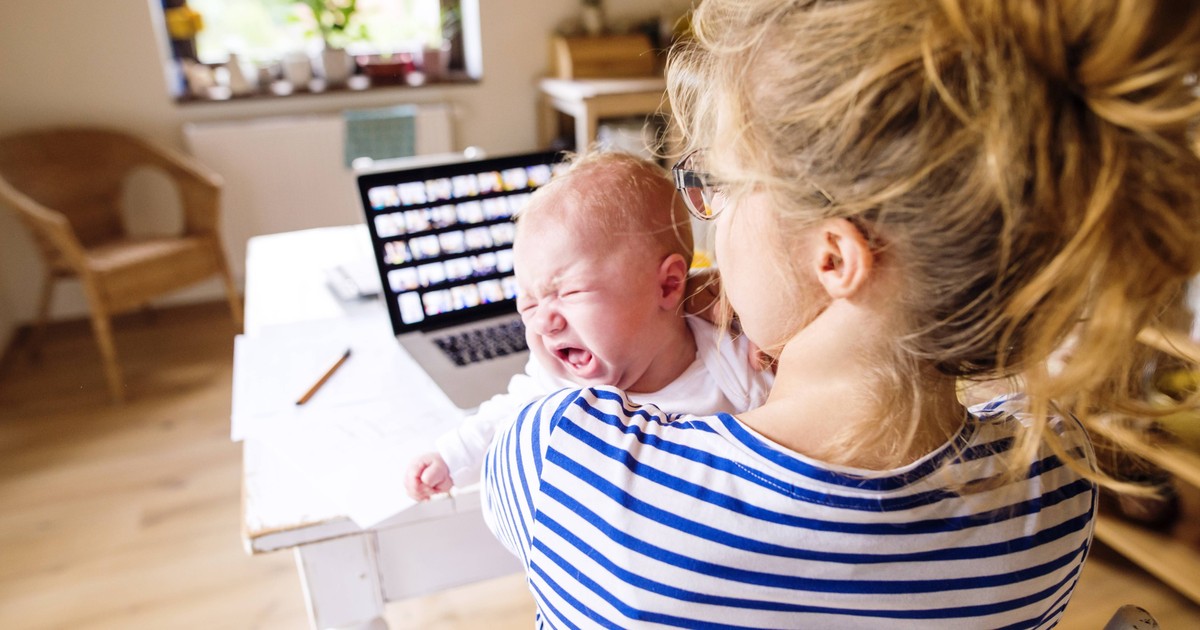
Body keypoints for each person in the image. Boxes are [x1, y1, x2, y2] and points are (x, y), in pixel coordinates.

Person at [481, 0, 1200, 627]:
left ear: (832, 259)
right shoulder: (1054, 490)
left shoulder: (562, 459)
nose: (710, 227)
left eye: (720, 187)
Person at [404, 151, 773, 500]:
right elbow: (507, 416)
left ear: (668, 285)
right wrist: (450, 458)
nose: (545, 322)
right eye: (529, 303)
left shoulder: (731, 362)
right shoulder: (559, 383)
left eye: (570, 292)